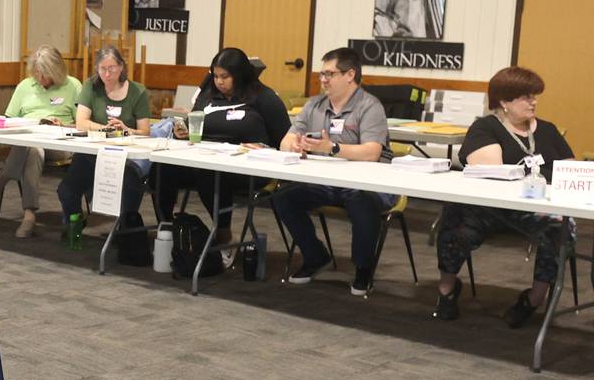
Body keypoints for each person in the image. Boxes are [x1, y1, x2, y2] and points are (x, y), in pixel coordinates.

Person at [433, 66, 573, 325]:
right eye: (526, 96)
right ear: (504, 102)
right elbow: (494, 170)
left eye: (534, 95)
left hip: (533, 207)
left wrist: (534, 175)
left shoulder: (548, 130)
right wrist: (542, 174)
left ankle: (533, 299)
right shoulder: (485, 127)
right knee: (455, 217)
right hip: (487, 209)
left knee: (560, 227)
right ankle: (447, 290)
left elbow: (571, 172)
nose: (534, 101)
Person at [271, 47, 391, 296]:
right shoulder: (315, 104)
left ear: (350, 75)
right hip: (326, 181)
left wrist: (332, 147)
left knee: (360, 200)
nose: (323, 80)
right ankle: (315, 256)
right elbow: (285, 140)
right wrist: (293, 145)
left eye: (329, 74)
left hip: (368, 183)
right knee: (283, 197)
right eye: (321, 74)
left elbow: (372, 152)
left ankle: (363, 267)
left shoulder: (370, 106)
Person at [164, 48, 290, 255]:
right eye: (215, 76)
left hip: (251, 166)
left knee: (209, 175)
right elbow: (192, 124)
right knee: (163, 169)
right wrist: (183, 131)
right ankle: (166, 228)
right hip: (203, 157)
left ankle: (222, 233)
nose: (219, 82)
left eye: (225, 77)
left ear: (239, 75)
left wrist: (266, 148)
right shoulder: (208, 96)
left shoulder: (264, 98)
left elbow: (286, 139)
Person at [56, 47, 150, 260]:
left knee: (130, 187)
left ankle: (125, 229)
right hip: (91, 155)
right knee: (67, 191)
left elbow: (145, 131)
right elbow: (81, 122)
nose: (107, 74)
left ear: (121, 67)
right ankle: (75, 223)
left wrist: (125, 129)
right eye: (103, 69)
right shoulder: (91, 87)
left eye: (112, 69)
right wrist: (107, 129)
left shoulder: (138, 92)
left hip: (125, 157)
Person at [0, 45, 81, 238]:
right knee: (33, 149)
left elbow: (82, 124)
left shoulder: (72, 86)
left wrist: (62, 125)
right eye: (37, 74)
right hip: (30, 141)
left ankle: (2, 180)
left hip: (60, 143)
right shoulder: (25, 86)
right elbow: (8, 119)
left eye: (45, 75)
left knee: (31, 147)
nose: (41, 79)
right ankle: (29, 214)